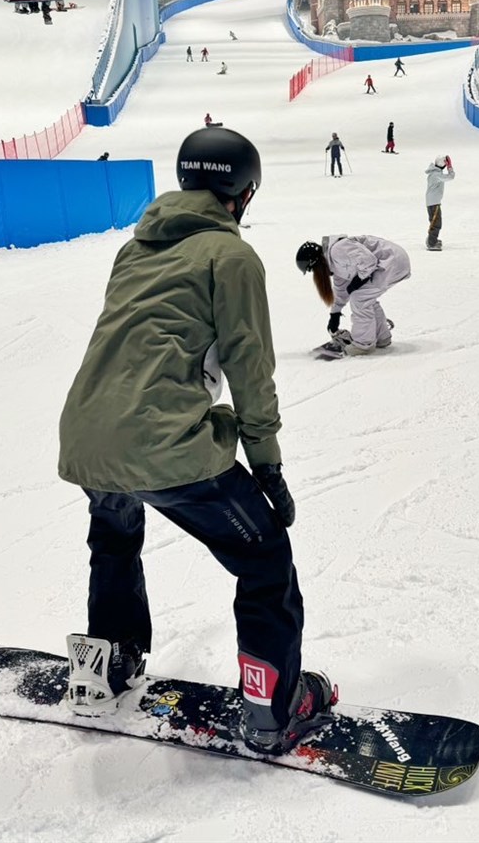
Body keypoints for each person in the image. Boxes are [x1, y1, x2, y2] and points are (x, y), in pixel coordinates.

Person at [59, 126, 336, 755]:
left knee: (115, 532)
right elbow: (250, 369)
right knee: (264, 562)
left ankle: (107, 663)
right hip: (163, 444)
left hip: (88, 437)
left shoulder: (133, 251)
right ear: (242, 195)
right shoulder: (231, 257)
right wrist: (266, 468)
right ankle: (272, 709)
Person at [295, 235, 411, 355]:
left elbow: (369, 262)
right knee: (365, 297)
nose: (315, 273)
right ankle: (382, 337)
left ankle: (363, 344)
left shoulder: (338, 250)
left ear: (316, 261)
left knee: (359, 298)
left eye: (313, 269)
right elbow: (341, 290)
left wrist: (358, 281)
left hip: (392, 261)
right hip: (391, 262)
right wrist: (335, 314)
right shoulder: (334, 264)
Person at [425, 155, 455, 251]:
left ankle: (432, 239)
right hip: (434, 202)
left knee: (434, 221)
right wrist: (450, 167)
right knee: (436, 222)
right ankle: (431, 243)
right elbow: (451, 177)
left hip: (433, 201)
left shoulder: (435, 173)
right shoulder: (436, 175)